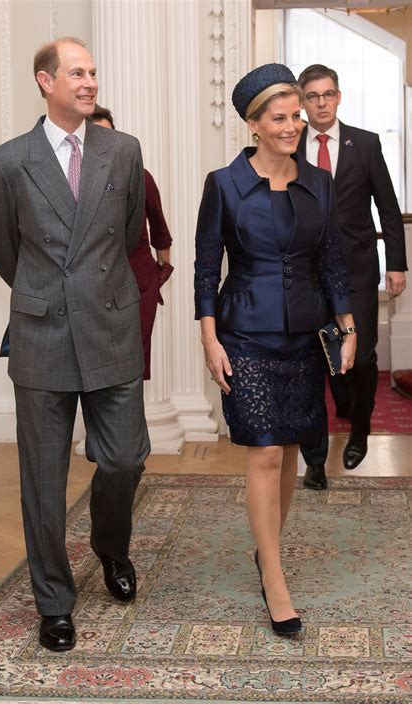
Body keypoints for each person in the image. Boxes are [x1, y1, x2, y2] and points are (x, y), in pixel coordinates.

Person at [0, 37, 150, 652]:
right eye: (77, 73)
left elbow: (128, 232)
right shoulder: (5, 162)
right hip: (42, 331)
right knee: (43, 481)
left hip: (110, 324)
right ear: (45, 82)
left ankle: (110, 545)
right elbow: (3, 247)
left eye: (94, 72)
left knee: (127, 458)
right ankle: (54, 599)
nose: (90, 82)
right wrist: (48, 291)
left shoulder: (122, 151)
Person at [194, 63, 356, 635]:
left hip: (304, 337)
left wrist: (348, 326)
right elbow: (205, 266)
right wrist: (210, 339)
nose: (293, 126)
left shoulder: (320, 182)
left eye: (297, 116)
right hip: (244, 333)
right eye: (280, 117)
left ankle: (268, 551)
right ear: (253, 124)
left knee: (289, 450)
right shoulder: (224, 185)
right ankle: (276, 578)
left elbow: (332, 258)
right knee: (264, 451)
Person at [297, 64, 407, 490]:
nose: (321, 103)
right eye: (312, 96)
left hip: (358, 268)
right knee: (315, 363)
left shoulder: (364, 143)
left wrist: (395, 262)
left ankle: (359, 429)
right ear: (303, 102)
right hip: (307, 273)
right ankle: (316, 461)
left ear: (338, 97)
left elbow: (388, 208)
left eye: (328, 94)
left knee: (358, 358)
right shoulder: (290, 145)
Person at [89, 105, 173, 379]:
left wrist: (159, 275)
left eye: (109, 135)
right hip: (93, 289)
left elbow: (160, 229)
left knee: (132, 368)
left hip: (138, 284)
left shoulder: (140, 175)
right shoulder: (76, 184)